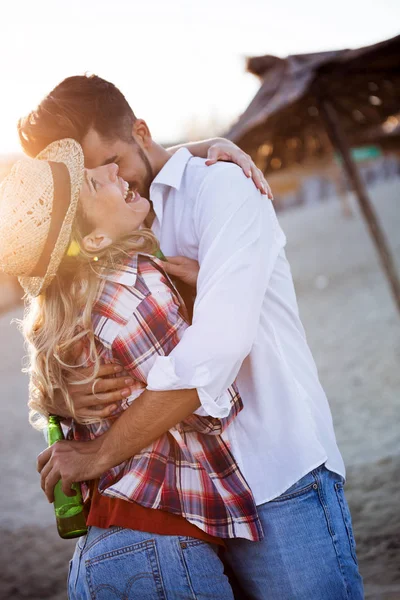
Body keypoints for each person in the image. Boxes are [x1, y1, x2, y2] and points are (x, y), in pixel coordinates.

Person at [19, 75, 364, 599]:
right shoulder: (121, 231)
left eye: (110, 160)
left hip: (278, 477)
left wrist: (98, 452)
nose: (112, 176)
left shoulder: (218, 186)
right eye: (91, 176)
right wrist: (62, 393)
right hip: (196, 505)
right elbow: (71, 336)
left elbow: (220, 346)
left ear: (140, 131)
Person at [0, 137, 267, 599]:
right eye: (91, 180)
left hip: (102, 551)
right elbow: (209, 403)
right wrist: (214, 299)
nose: (108, 171)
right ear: (97, 239)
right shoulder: (135, 288)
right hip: (158, 550)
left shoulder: (73, 313)